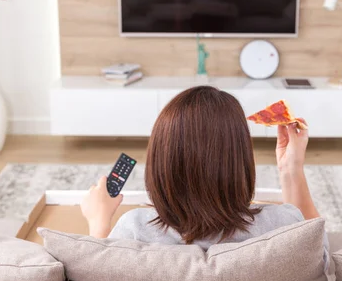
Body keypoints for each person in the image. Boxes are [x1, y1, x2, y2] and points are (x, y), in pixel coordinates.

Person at [81, 86, 328, 267]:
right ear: (238, 160)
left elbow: (99, 274)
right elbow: (321, 258)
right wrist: (291, 169)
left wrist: (99, 220)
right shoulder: (283, 225)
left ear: (161, 162)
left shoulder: (135, 229)